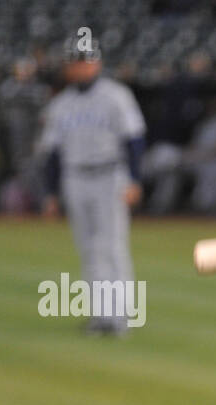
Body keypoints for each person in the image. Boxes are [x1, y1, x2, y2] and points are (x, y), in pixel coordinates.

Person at [39, 36, 145, 335]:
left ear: (97, 62)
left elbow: (134, 140)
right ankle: (101, 317)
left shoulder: (116, 96)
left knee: (111, 246)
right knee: (88, 249)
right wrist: (50, 193)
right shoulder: (60, 104)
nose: (80, 67)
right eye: (75, 61)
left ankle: (121, 317)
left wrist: (134, 179)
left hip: (110, 175)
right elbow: (52, 154)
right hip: (75, 178)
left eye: (85, 60)